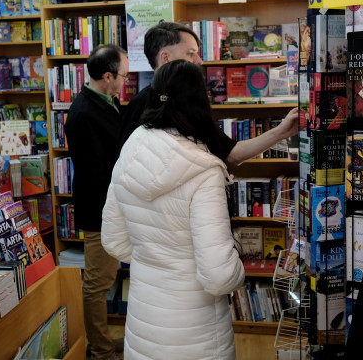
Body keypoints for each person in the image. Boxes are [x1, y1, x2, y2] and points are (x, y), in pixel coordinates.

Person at [102, 60, 246, 360]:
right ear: (200, 102)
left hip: (144, 316)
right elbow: (219, 276)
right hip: (196, 328)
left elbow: (113, 240)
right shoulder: (204, 169)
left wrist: (155, 258)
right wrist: (238, 264)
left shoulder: (131, 148)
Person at [117, 21, 299, 169]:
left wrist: (283, 131)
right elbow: (126, 166)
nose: (199, 61)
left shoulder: (190, 103)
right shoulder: (141, 104)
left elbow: (232, 154)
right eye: (190, 54)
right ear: (166, 58)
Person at [64, 44, 128, 360]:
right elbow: (95, 174)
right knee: (97, 283)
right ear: (107, 76)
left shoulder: (106, 101)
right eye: (123, 77)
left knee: (105, 277)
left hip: (114, 208)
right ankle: (100, 350)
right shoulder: (82, 114)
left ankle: (102, 342)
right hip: (102, 211)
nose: (125, 83)